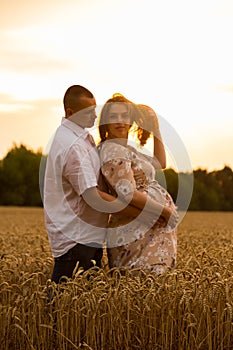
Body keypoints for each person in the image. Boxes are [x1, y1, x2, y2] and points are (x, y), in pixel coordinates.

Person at [43, 85, 159, 284]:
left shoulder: (79, 136)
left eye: (95, 110)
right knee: (63, 305)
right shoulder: (72, 147)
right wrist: (141, 211)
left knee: (82, 307)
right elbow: (92, 196)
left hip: (86, 237)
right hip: (77, 239)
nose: (95, 116)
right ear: (70, 113)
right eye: (89, 112)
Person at [98, 94, 178, 275]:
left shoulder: (127, 149)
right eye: (113, 116)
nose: (119, 121)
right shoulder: (112, 149)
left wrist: (156, 128)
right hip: (135, 229)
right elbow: (128, 193)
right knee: (143, 285)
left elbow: (160, 163)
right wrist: (164, 211)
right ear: (105, 123)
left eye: (124, 116)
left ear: (132, 121)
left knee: (152, 291)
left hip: (147, 228)